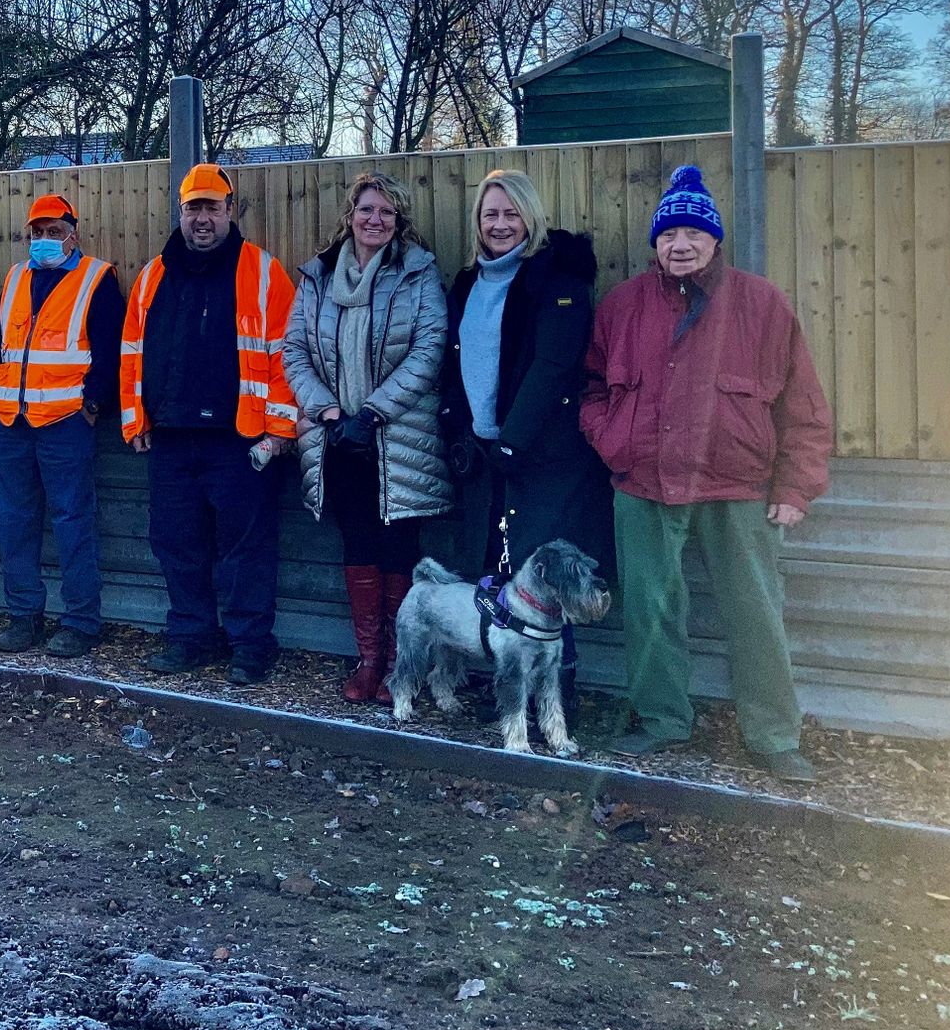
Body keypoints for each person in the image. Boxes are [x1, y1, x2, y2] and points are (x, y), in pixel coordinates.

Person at [581, 165, 831, 783]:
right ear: (655, 245)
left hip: (740, 487)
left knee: (756, 614)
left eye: (693, 232)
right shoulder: (622, 306)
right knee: (651, 611)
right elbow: (589, 389)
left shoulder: (762, 303)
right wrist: (612, 440)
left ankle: (772, 735)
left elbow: (802, 404)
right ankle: (662, 721)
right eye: (669, 235)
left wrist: (796, 487)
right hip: (643, 482)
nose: (681, 244)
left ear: (715, 241)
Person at [437, 169, 614, 710]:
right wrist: (457, 427)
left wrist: (514, 441)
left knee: (545, 578)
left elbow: (553, 366)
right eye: (490, 214)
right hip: (485, 454)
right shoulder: (467, 283)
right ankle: (508, 695)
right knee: (495, 578)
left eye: (511, 213)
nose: (500, 224)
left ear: (530, 218)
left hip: (543, 456)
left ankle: (557, 700)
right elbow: (454, 359)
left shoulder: (558, 280)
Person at [121, 164, 297, 686]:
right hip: (171, 437)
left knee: (247, 548)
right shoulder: (153, 274)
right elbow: (131, 351)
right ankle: (193, 636)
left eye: (211, 207)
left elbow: (288, 357)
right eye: (193, 207)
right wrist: (135, 419)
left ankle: (250, 644)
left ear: (230, 210)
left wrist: (280, 431)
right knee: (176, 542)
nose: (202, 218)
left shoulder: (264, 272)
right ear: (181, 212)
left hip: (240, 439)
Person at [284, 171, 452, 704]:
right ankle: (370, 659)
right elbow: (294, 352)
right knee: (356, 545)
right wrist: (329, 412)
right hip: (339, 439)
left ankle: (403, 663)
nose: (375, 220)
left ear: (398, 221)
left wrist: (373, 413)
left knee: (398, 550)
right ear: (350, 216)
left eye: (386, 212)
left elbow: (429, 350)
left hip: (397, 438)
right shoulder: (318, 276)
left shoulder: (417, 274)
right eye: (366, 210)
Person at [0, 193, 124, 658]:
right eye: (37, 233)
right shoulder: (15, 277)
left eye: (54, 232)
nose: (44, 240)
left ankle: (81, 621)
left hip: (66, 421)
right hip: (10, 421)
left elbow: (110, 350)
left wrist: (94, 404)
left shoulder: (96, 278)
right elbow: (1, 345)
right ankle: (24, 616)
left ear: (72, 235)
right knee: (13, 521)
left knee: (72, 522)